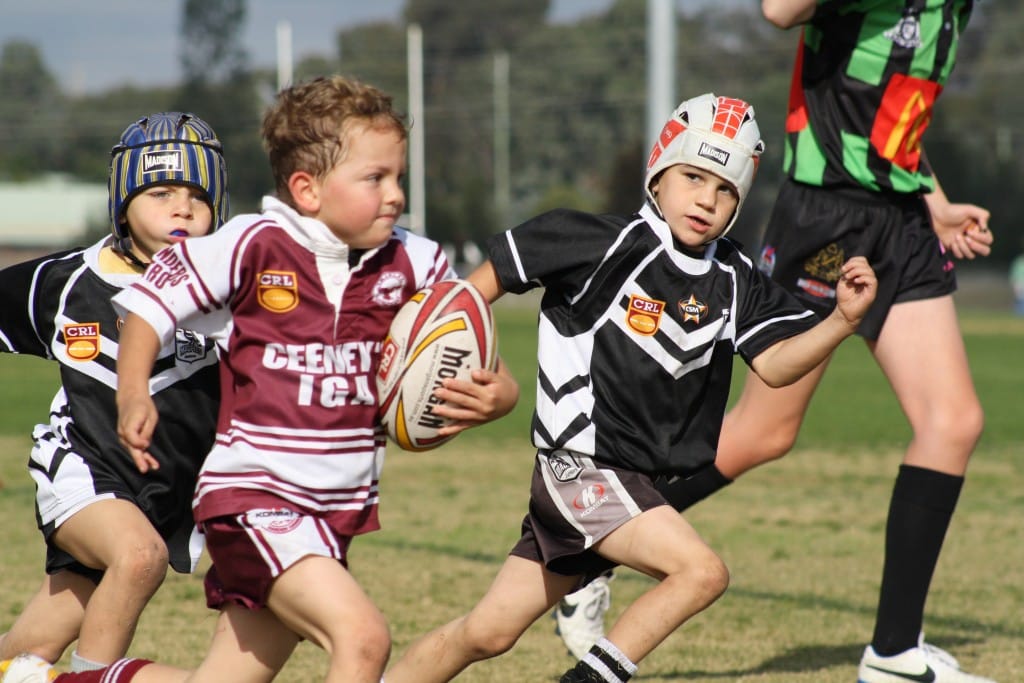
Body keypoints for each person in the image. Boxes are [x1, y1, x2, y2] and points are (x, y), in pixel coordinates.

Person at [1, 74, 519, 683]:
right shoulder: (244, 251)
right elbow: (147, 309)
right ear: (307, 188)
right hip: (225, 492)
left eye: (398, 177)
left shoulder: (415, 260)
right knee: (360, 638)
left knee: (64, 646)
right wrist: (134, 391)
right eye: (375, 178)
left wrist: (499, 395)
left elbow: (465, 331)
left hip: (290, 503)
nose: (396, 195)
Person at [558, 2, 997, 682]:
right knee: (764, 432)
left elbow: (888, 110)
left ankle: (893, 654)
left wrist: (933, 202)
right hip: (829, 214)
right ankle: (593, 545)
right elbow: (778, 9)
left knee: (953, 422)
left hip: (903, 215)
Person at [382, 93, 877, 683]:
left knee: (487, 633)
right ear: (658, 173)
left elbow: (775, 365)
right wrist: (452, 360)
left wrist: (841, 322)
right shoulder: (599, 242)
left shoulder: (735, 277)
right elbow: (472, 296)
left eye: (726, 190)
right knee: (701, 573)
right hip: (581, 472)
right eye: (693, 177)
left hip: (634, 484)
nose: (707, 199)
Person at [0, 112, 229, 677]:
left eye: (198, 197)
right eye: (161, 192)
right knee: (140, 557)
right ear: (122, 204)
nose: (182, 208)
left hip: (167, 494)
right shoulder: (65, 283)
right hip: (82, 469)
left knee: (28, 647)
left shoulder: (233, 290)